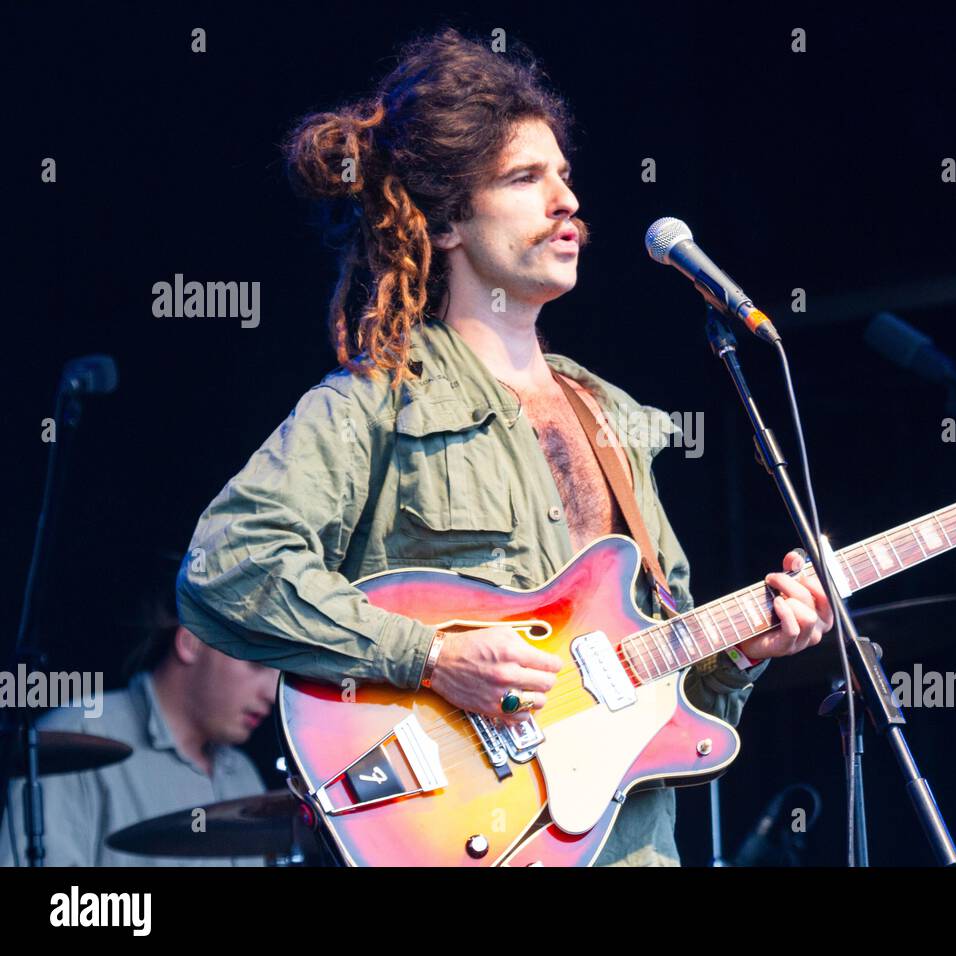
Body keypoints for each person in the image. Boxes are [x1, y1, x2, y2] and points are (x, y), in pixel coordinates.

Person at [176, 27, 832, 866]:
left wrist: (743, 653)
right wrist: (432, 656)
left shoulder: (613, 419)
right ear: (447, 220)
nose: (566, 202)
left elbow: (676, 702)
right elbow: (225, 566)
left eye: (564, 176)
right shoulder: (376, 402)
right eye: (526, 178)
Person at [1, 556, 276, 866]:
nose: (272, 693)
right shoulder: (74, 738)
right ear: (191, 644)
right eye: (257, 663)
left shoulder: (243, 774)